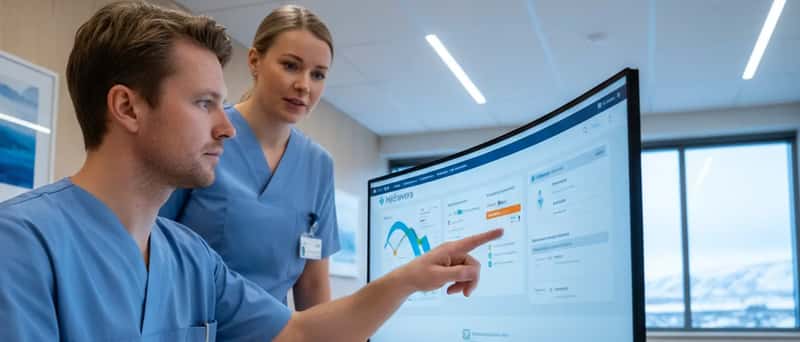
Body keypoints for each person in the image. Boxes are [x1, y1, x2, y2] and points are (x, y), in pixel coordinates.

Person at [0, 2, 502, 341]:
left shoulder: (191, 260)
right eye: (204, 104)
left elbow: (301, 330)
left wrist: (409, 279)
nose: (227, 127)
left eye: (222, 104)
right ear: (128, 109)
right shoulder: (22, 246)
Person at [160, 5, 339, 309]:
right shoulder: (204, 135)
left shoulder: (318, 166)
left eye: (318, 74)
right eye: (291, 66)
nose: (304, 85)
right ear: (255, 61)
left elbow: (312, 285)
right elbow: (149, 243)